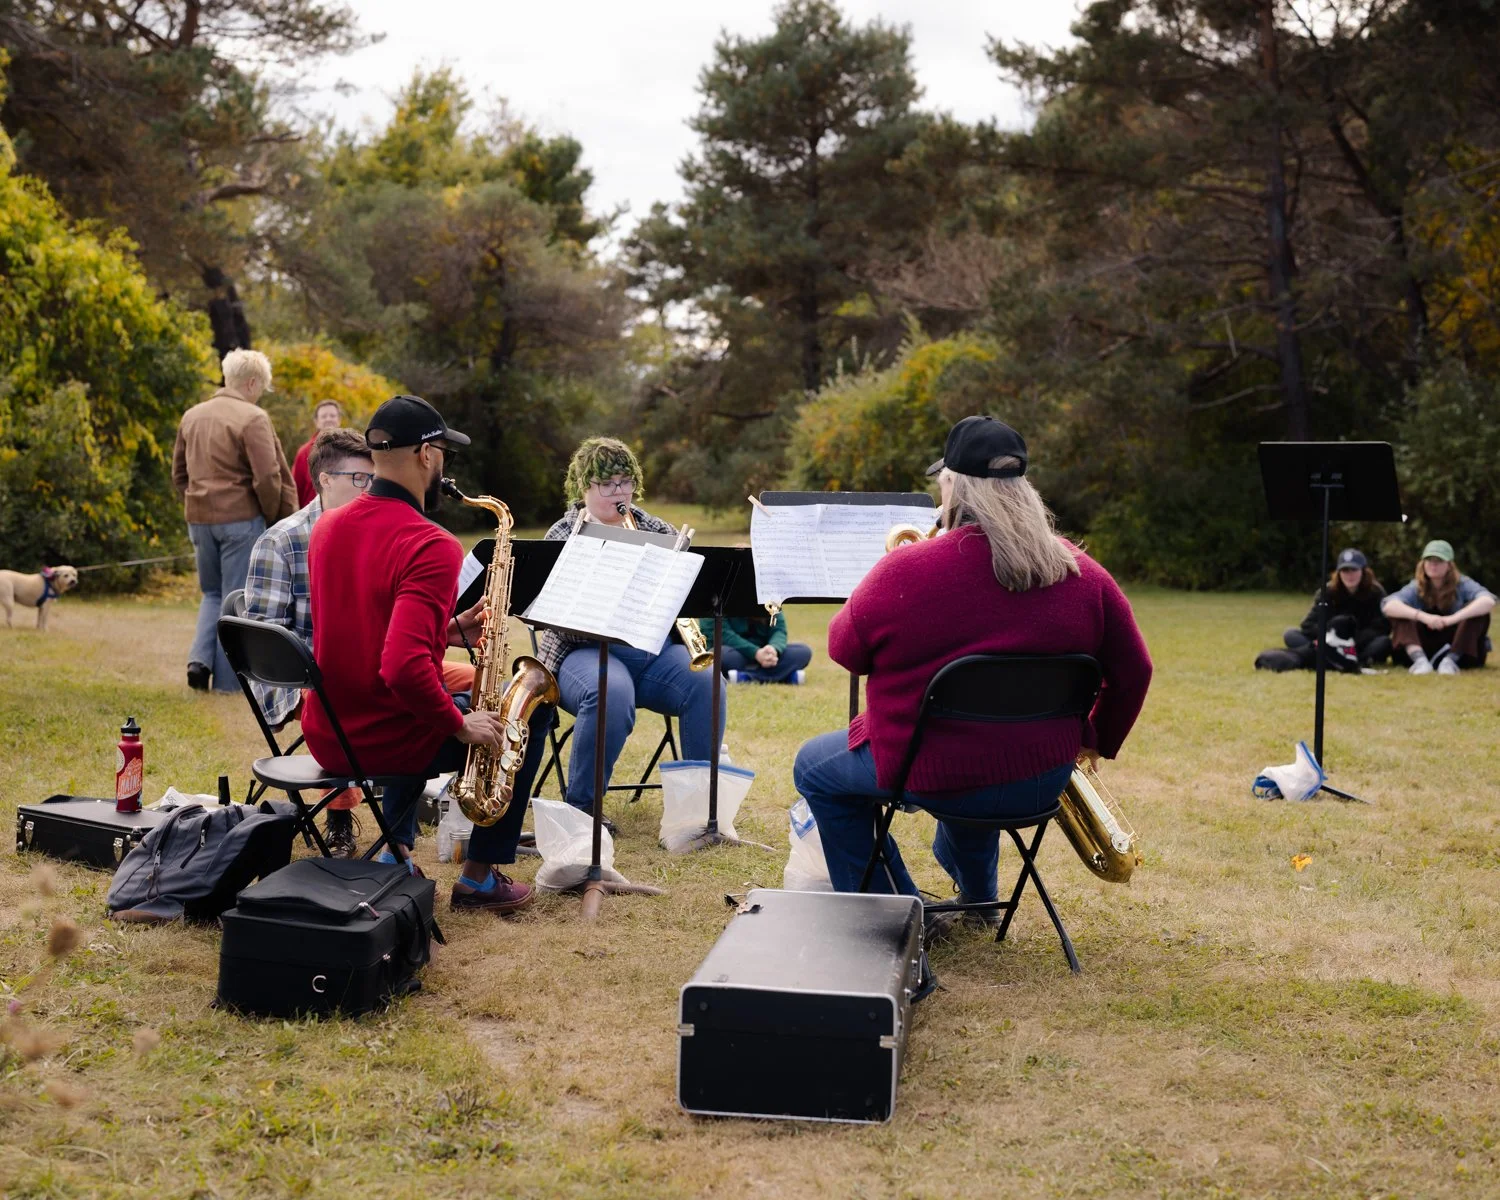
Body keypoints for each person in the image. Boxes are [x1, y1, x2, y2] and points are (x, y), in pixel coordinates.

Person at [793, 415, 1153, 910]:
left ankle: (893, 912)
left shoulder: (906, 570)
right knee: (977, 748)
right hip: (1042, 777)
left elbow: (845, 649)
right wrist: (1094, 739)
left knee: (814, 767)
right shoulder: (1083, 573)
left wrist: (882, 578)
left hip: (934, 772)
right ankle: (981, 899)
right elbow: (1136, 670)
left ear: (953, 485)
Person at [303, 394, 548, 914]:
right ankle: (479, 878)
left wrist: (449, 628)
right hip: (384, 735)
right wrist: (461, 728)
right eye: (445, 456)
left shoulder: (328, 525)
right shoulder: (429, 542)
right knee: (524, 717)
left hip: (329, 732)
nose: (444, 468)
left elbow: (363, 632)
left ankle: (397, 854)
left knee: (448, 704)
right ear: (427, 456)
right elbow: (402, 670)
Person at [535, 437, 726, 824]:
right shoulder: (562, 534)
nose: (619, 492)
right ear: (583, 486)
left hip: (648, 649)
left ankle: (699, 808)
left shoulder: (655, 527)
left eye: (625, 482)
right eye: (607, 484)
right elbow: (549, 615)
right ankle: (583, 810)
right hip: (580, 651)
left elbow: (686, 592)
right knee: (611, 689)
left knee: (707, 680)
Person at [244, 428, 373, 856]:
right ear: (325, 480)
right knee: (339, 695)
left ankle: (424, 808)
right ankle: (339, 818)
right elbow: (264, 642)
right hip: (302, 676)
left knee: (465, 682)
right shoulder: (282, 541)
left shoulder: (375, 532)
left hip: (372, 664)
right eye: (359, 478)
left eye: (371, 478)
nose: (368, 488)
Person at [172, 349, 297, 692]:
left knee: (211, 593)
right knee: (235, 597)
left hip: (198, 518)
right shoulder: (253, 417)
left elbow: (179, 475)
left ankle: (199, 661)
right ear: (252, 382)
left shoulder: (192, 415)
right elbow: (268, 477)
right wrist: (271, 515)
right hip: (241, 518)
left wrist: (196, 500)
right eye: (262, 387)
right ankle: (229, 683)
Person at [1254, 548, 1390, 673]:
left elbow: (1383, 626)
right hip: (1327, 642)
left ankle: (1349, 659)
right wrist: (1330, 637)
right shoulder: (1327, 592)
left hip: (1358, 644)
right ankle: (1330, 657)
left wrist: (1352, 639)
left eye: (1354, 570)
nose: (1350, 575)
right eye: (1345, 570)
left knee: (1384, 642)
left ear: (1363, 571)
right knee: (1291, 634)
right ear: (1338, 573)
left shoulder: (1376, 592)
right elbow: (1308, 625)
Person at [1381, 540, 1495, 675]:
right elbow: (1389, 605)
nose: (1433, 565)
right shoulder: (1416, 586)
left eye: (1439, 560)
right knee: (1400, 612)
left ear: (1449, 565)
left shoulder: (1463, 584)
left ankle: (1451, 661)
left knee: (1477, 612)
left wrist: (1451, 619)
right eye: (1429, 560)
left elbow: (1488, 600)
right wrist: (1425, 617)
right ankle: (1419, 661)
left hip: (1459, 648)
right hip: (1425, 645)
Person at [702, 610, 813, 684]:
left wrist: (773, 648)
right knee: (718, 655)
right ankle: (784, 676)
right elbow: (722, 634)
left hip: (764, 652)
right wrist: (755, 653)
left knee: (803, 652)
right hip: (735, 652)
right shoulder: (717, 596)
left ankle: (746, 677)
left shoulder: (768, 597)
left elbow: (779, 630)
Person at [292, 400, 344, 508]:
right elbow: (296, 489)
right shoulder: (304, 453)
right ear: (316, 421)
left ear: (339, 419)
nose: (328, 419)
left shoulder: (350, 450)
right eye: (324, 416)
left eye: (332, 415)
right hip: (312, 515)